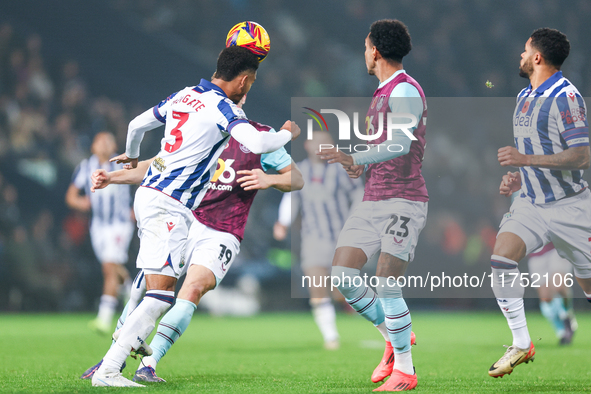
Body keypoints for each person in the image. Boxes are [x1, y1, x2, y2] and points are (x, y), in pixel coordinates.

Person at [91, 46, 300, 387]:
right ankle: (109, 369)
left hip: (160, 199)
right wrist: (288, 132)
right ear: (244, 81)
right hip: (169, 205)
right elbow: (259, 144)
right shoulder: (223, 109)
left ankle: (132, 343)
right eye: (252, 82)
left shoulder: (184, 96)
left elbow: (136, 125)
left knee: (155, 286)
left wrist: (131, 153)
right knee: (159, 296)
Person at [318, 19, 427, 391]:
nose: (364, 54)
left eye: (366, 47)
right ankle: (392, 337)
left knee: (387, 285)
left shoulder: (406, 90)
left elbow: (400, 144)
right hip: (373, 198)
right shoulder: (382, 92)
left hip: (404, 199)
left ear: (375, 51)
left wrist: (358, 157)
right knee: (343, 276)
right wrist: (358, 162)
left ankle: (406, 372)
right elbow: (385, 146)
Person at [489, 27, 590, 378]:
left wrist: (526, 161)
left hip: (571, 207)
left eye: (524, 49)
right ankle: (521, 343)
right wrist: (520, 176)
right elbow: (535, 153)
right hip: (531, 203)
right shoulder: (524, 96)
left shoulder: (566, 97)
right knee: (501, 258)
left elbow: (581, 155)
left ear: (537, 57)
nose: (520, 55)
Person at [273, 131, 363, 350]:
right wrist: (283, 222)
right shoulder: (300, 169)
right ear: (307, 145)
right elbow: (291, 197)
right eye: (318, 143)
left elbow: (359, 195)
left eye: (327, 144)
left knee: (339, 290)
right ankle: (331, 337)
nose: (322, 147)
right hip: (313, 238)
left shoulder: (342, 170)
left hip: (342, 237)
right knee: (317, 284)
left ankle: (348, 304)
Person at [65, 131, 134, 335]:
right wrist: (81, 202)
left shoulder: (122, 164)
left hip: (120, 224)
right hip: (98, 226)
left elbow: (142, 183)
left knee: (108, 268)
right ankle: (131, 293)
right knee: (113, 267)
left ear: (114, 146)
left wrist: (137, 208)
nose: (104, 144)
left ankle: (104, 318)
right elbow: (71, 196)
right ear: (93, 146)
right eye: (100, 141)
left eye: (108, 141)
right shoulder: (86, 167)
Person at [527, 242, 577, 345]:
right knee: (546, 298)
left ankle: (567, 315)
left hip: (557, 247)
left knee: (559, 286)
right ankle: (562, 330)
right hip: (535, 254)